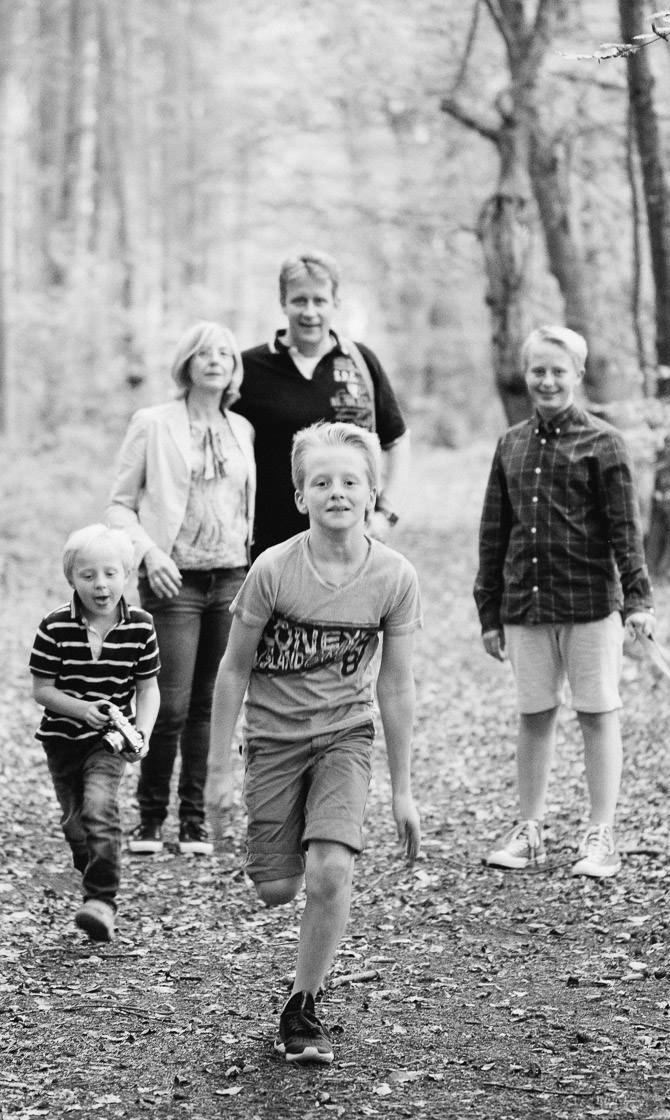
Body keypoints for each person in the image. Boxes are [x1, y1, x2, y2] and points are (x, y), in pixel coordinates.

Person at [207, 421, 422, 1065]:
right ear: (300, 495)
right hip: (272, 740)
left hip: (344, 737)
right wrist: (219, 768)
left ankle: (303, 1005)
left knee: (332, 871)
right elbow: (233, 669)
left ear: (372, 493)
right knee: (276, 889)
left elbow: (397, 683)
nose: (337, 492)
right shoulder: (274, 570)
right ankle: (289, 853)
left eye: (350, 481)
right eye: (321, 482)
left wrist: (403, 790)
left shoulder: (394, 577)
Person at [473, 326, 656, 879]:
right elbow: (493, 531)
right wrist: (489, 609)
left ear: (577, 374)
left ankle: (601, 834)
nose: (548, 380)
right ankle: (529, 829)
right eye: (538, 371)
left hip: (590, 605)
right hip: (525, 608)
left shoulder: (604, 443)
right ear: (526, 375)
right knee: (534, 715)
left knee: (597, 713)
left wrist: (639, 600)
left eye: (559, 370)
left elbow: (626, 530)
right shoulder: (511, 444)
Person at [106, 321, 256, 857]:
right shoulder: (153, 423)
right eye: (204, 352)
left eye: (225, 353)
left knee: (209, 706)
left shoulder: (242, 429)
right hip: (176, 581)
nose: (215, 360)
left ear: (234, 368)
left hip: (231, 577)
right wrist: (150, 555)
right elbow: (118, 504)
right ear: (187, 364)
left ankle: (192, 822)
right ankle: (149, 821)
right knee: (167, 705)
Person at [29, 524, 161, 942]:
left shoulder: (141, 626)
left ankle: (102, 901)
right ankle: (93, 868)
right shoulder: (54, 627)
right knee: (75, 823)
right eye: (88, 576)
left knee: (100, 806)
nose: (100, 584)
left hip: (109, 741)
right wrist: (82, 709)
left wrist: (143, 730)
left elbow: (148, 688)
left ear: (127, 575)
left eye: (110, 573)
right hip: (62, 740)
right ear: (72, 579)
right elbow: (42, 689)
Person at [235, 250, 411, 558]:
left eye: (320, 301)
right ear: (283, 303)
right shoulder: (248, 369)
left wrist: (386, 514)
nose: (310, 312)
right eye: (299, 300)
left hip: (353, 546)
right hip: (273, 549)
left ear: (336, 303)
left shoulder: (361, 362)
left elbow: (397, 440)